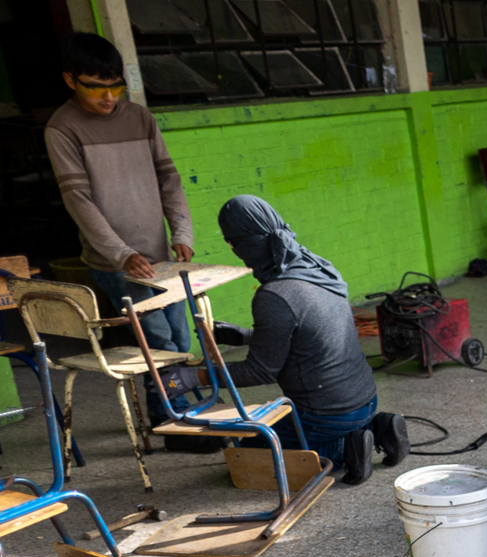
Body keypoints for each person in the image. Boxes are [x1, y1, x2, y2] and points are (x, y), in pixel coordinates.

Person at [45, 33, 193, 415]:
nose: (108, 96)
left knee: (180, 335)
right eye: (95, 87)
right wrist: (122, 254)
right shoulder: (62, 129)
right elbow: (78, 200)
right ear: (69, 80)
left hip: (162, 256)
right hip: (113, 262)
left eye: (115, 86)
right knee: (156, 338)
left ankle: (179, 407)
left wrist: (182, 232)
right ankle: (170, 413)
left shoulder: (140, 117)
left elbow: (170, 179)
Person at [214, 196, 406, 484]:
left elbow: (261, 371)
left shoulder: (273, 295)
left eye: (232, 244)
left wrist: (197, 376)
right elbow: (312, 335)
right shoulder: (317, 268)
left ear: (246, 244)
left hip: (329, 414)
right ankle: (378, 427)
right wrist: (248, 337)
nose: (234, 251)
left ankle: (346, 449)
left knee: (250, 446)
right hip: (365, 398)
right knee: (283, 430)